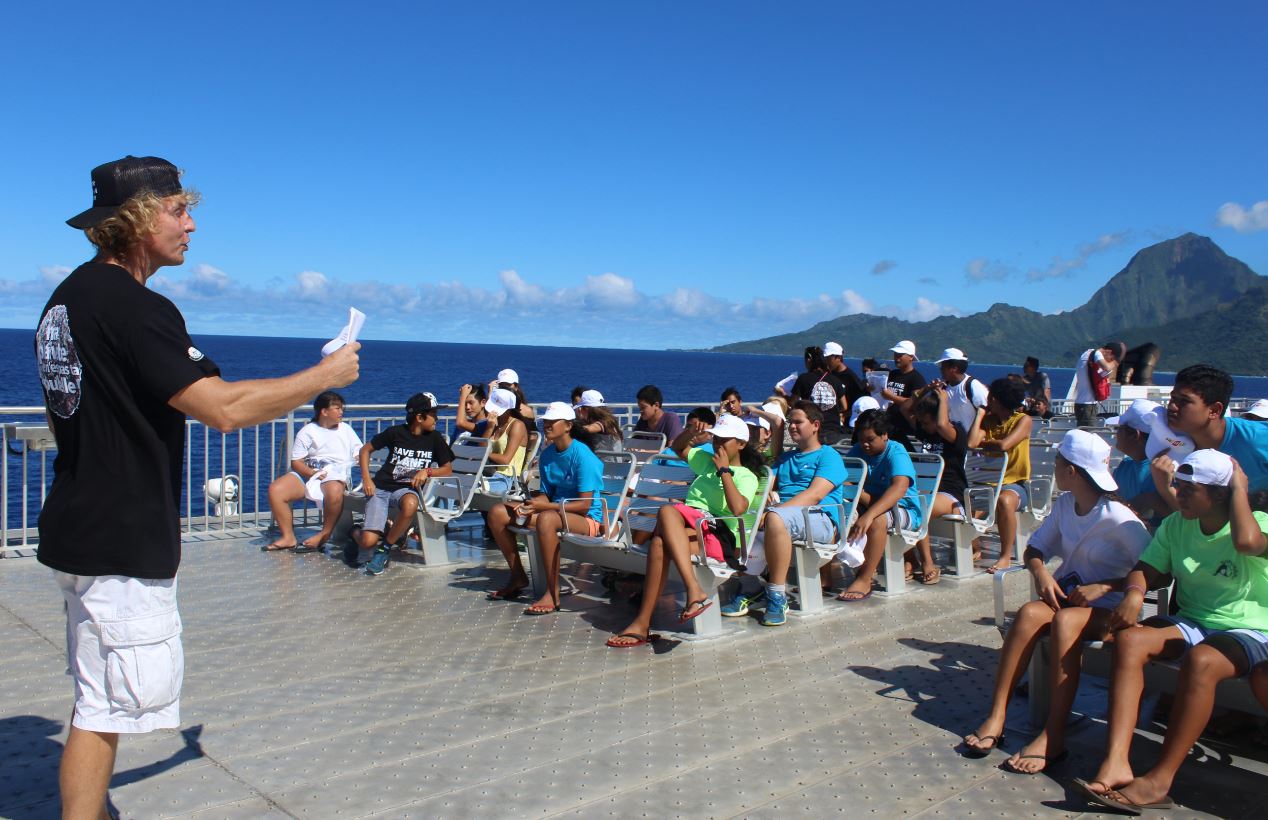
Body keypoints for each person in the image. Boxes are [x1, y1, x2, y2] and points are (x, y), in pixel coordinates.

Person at [36, 155, 360, 819]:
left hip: (77, 526)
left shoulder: (65, 301)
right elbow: (225, 408)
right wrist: (324, 375)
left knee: (96, 700)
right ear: (135, 219)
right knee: (106, 709)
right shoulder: (136, 308)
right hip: (122, 541)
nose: (191, 225)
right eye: (179, 209)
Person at [1076, 449, 1268, 812]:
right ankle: (1117, 760)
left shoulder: (1256, 523)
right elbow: (1145, 569)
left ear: (1220, 493)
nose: (1177, 493)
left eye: (1188, 488)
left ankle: (1159, 780)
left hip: (1249, 629)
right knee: (1130, 639)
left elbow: (1247, 543)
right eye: (1177, 484)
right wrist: (1134, 593)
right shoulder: (1178, 524)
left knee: (1203, 661)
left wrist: (1240, 488)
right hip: (1196, 621)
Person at [962, 431, 1150, 773]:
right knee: (1029, 613)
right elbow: (1036, 549)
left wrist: (1106, 587)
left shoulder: (1121, 520)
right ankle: (997, 715)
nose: (1056, 467)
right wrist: (1041, 574)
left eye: (1060, 462)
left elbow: (1153, 569)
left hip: (1109, 610)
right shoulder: (1065, 506)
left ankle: (1054, 734)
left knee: (1064, 622)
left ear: (1073, 471)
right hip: (1070, 600)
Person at [607, 414, 764, 646]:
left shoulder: (745, 476)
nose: (718, 445)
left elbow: (738, 509)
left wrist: (724, 471)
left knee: (669, 511)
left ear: (741, 444)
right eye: (716, 439)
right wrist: (691, 431)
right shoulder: (706, 460)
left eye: (725, 440)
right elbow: (678, 447)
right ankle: (643, 622)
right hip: (694, 528)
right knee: (659, 544)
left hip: (719, 534)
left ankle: (691, 590)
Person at [723, 402, 849, 625]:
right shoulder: (788, 458)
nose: (793, 427)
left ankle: (777, 596)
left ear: (815, 425)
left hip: (821, 519)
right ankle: (752, 588)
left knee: (774, 517)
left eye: (798, 422)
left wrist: (775, 510)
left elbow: (815, 495)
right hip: (788, 518)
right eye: (791, 423)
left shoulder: (828, 456)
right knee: (739, 521)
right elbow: (765, 479)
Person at [485, 402, 604, 614]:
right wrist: (530, 505)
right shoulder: (549, 455)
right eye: (545, 422)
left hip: (586, 520)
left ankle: (552, 591)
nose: (547, 425)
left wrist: (544, 506)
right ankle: (518, 576)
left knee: (546, 518)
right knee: (498, 513)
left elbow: (585, 506)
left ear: (568, 426)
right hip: (555, 512)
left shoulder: (583, 455)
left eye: (552, 421)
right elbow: (546, 493)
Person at [355, 393, 455, 576]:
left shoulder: (435, 439)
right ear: (419, 417)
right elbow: (365, 450)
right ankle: (354, 532)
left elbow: (447, 469)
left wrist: (427, 471)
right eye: (433, 414)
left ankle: (383, 550)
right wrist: (366, 479)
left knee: (411, 504)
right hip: (381, 489)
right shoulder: (395, 433)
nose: (437, 418)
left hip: (405, 490)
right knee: (367, 542)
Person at [837, 409, 924, 601]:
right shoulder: (858, 451)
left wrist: (868, 515)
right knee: (840, 513)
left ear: (884, 435)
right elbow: (844, 479)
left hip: (904, 508)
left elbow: (899, 488)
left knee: (876, 520)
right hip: (871, 502)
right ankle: (851, 568)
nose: (865, 445)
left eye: (870, 439)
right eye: (861, 440)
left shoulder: (896, 451)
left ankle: (865, 578)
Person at [264, 390, 363, 552]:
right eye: (337, 408)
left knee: (334, 490)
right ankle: (288, 537)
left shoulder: (345, 429)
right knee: (276, 490)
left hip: (334, 474)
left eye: (341, 408)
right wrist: (312, 473)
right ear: (324, 411)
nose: (341, 412)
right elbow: (296, 462)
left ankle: (324, 534)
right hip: (310, 474)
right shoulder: (307, 431)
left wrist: (358, 457)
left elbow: (359, 450)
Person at [900, 385, 972, 585]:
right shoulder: (927, 433)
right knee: (902, 503)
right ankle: (910, 559)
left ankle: (928, 563)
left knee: (920, 506)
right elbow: (905, 409)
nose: (921, 426)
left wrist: (944, 400)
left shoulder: (955, 433)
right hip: (927, 491)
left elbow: (941, 425)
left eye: (925, 421)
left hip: (952, 495)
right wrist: (924, 391)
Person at [1160, 364, 1268, 492]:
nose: (1172, 406)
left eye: (1184, 401)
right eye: (1173, 398)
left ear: (1214, 410)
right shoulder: (1168, 441)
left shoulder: (1256, 439)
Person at [967, 377, 1033, 572]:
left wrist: (985, 444)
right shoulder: (988, 421)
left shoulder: (1023, 420)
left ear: (995, 399)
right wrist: (979, 416)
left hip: (1016, 486)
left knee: (1004, 501)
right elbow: (971, 443)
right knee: (964, 503)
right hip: (988, 485)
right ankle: (973, 547)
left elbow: (1005, 445)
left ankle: (1005, 556)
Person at [1105, 399, 1169, 525]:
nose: (1116, 433)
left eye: (1119, 428)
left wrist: (1149, 501)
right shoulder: (1125, 465)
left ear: (1135, 435)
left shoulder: (1164, 471)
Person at [791, 345, 850, 444]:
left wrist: (782, 393)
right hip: (834, 431)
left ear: (809, 359)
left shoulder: (803, 378)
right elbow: (844, 406)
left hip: (812, 429)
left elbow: (793, 403)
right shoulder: (835, 380)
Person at [481, 387, 529, 495]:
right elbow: (481, 446)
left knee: (463, 487)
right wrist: (489, 428)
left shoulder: (517, 425)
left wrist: (487, 454)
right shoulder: (495, 423)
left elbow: (505, 459)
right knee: (452, 484)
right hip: (489, 473)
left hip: (507, 478)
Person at [932, 347, 989, 436]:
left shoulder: (972, 385)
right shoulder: (944, 388)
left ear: (954, 368)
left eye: (943, 366)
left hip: (971, 443)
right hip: (953, 441)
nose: (941, 369)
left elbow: (987, 411)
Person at [882, 340, 927, 447]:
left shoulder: (917, 379)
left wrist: (891, 397)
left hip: (905, 428)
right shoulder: (892, 374)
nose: (897, 357)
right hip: (888, 425)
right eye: (895, 354)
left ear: (911, 357)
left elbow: (914, 402)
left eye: (900, 355)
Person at [1070, 342, 1125, 427]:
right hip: (1087, 406)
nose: (1109, 361)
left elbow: (1100, 375)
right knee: (1088, 435)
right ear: (1109, 352)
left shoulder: (1087, 354)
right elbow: (1106, 367)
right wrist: (1115, 362)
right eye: (1111, 359)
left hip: (1082, 404)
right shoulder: (1097, 353)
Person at [824, 340, 868, 425]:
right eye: (825, 359)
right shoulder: (828, 374)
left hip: (846, 423)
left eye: (828, 359)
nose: (826, 362)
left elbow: (860, 404)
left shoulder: (851, 377)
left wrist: (844, 415)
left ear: (838, 358)